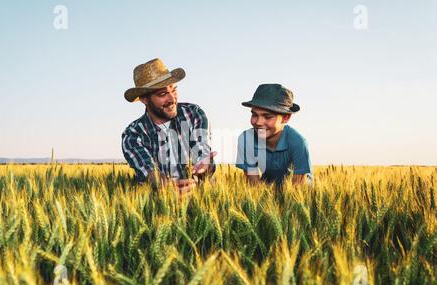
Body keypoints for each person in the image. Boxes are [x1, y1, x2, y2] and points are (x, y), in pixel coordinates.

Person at [122, 58, 216, 195]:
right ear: (144, 99)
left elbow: (201, 147)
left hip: (202, 198)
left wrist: (204, 164)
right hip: (159, 204)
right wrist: (165, 187)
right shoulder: (133, 134)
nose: (172, 99)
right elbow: (147, 170)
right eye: (162, 94)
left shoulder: (193, 113)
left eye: (173, 90)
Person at [236, 84, 313, 186]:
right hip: (268, 192)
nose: (258, 122)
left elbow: (298, 189)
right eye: (254, 115)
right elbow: (254, 186)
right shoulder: (246, 140)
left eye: (267, 116)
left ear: (286, 118)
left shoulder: (298, 143)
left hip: (300, 192)